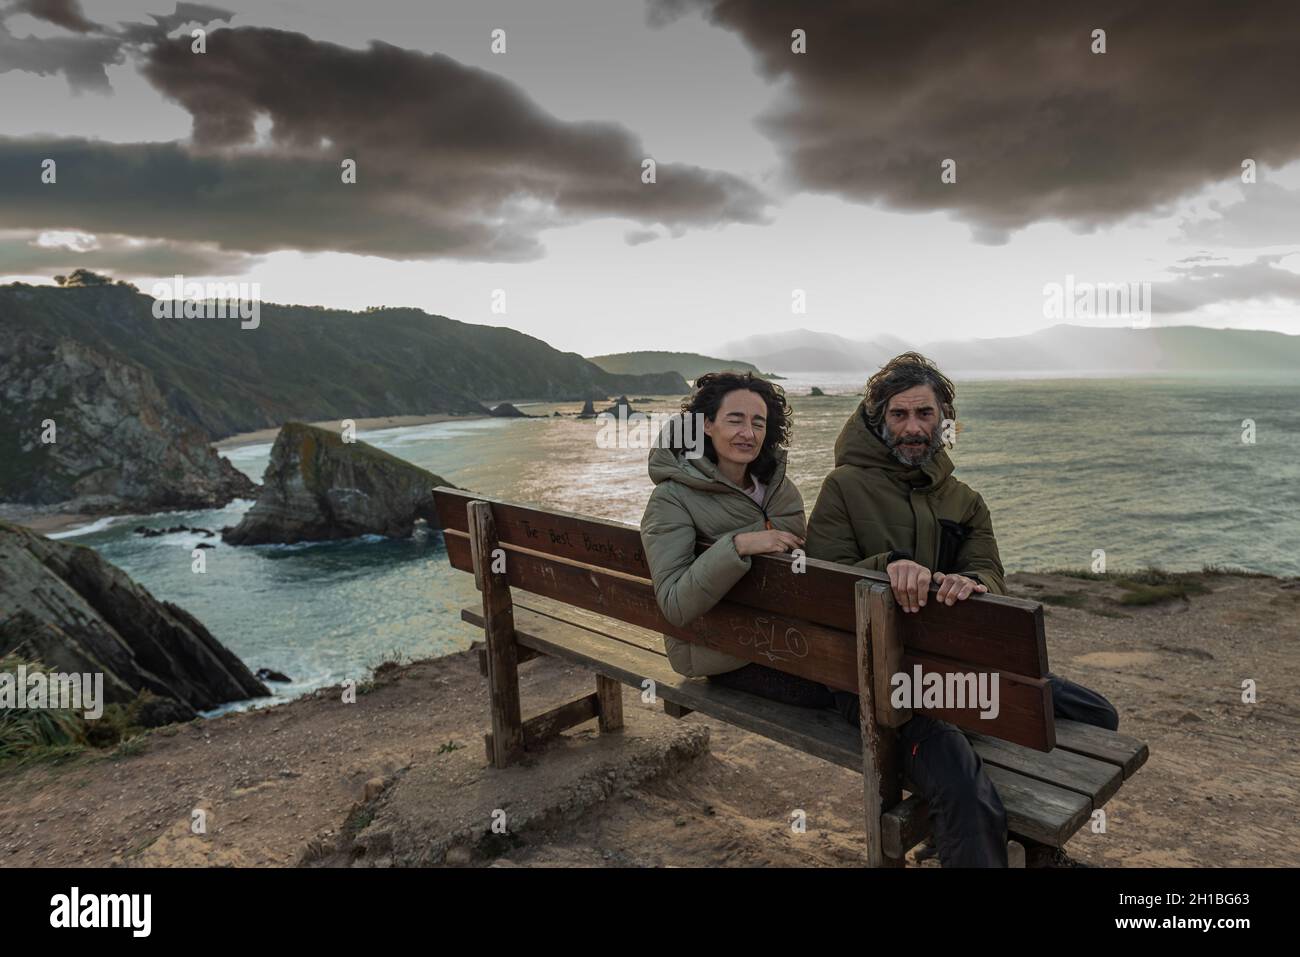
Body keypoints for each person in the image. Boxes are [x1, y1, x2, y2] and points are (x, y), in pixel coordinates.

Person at [804, 352, 1120, 867]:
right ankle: (984, 836)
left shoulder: (965, 500)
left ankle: (1031, 846)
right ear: (877, 419)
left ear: (944, 421)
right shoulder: (844, 487)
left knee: (1097, 715)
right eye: (899, 415)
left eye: (924, 414)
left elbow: (990, 571)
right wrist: (888, 567)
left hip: (963, 671)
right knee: (966, 793)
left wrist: (969, 582)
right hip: (883, 684)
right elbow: (819, 584)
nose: (912, 428)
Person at [639, 371, 838, 708]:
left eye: (758, 423)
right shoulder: (671, 498)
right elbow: (674, 604)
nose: (748, 433)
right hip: (721, 652)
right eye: (735, 420)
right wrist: (739, 545)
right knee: (853, 691)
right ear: (705, 425)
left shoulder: (779, 490)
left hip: (782, 638)